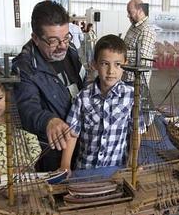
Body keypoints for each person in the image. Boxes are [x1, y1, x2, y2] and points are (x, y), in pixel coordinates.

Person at [13, 1, 85, 172]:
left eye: (66, 37)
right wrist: (48, 120)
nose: (62, 46)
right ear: (35, 38)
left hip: (80, 142)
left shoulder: (71, 50)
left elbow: (83, 84)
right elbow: (27, 106)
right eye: (53, 41)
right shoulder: (24, 67)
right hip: (53, 150)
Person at [60, 34, 145, 170]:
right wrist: (65, 166)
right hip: (85, 169)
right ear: (94, 65)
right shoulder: (83, 97)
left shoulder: (131, 96)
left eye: (118, 64)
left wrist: (133, 159)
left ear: (125, 65)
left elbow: (135, 131)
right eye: (105, 64)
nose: (111, 71)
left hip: (116, 169)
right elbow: (72, 133)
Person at [123, 0, 156, 85]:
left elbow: (142, 56)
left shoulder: (147, 30)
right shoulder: (133, 26)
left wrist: (121, 53)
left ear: (140, 10)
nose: (128, 15)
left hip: (137, 81)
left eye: (130, 12)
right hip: (126, 76)